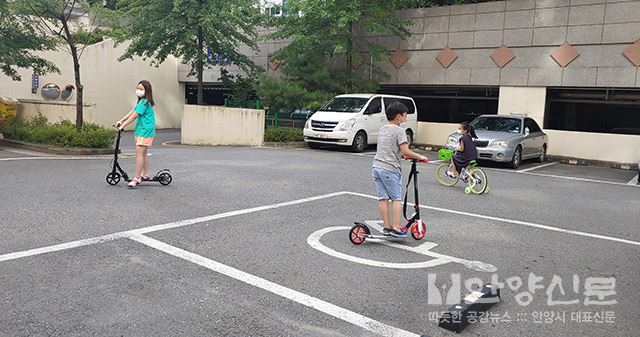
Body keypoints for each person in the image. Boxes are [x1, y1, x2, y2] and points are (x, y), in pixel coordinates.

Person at [372, 102, 428, 238]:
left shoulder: (383, 129)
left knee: (383, 198)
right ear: (398, 117)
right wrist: (420, 156)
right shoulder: (399, 131)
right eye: (405, 116)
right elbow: (405, 150)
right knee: (396, 198)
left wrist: (403, 155)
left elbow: (390, 148)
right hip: (390, 169)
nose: (405, 119)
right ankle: (396, 227)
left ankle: (386, 226)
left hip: (376, 167)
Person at [116, 80, 156, 188]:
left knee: (139, 154)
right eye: (138, 88)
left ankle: (137, 178)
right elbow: (132, 111)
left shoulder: (145, 102)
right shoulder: (141, 102)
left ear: (147, 91)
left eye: (141, 89)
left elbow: (135, 116)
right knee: (143, 154)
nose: (138, 91)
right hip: (141, 130)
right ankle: (145, 174)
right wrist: (121, 120)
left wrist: (123, 125)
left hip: (145, 131)